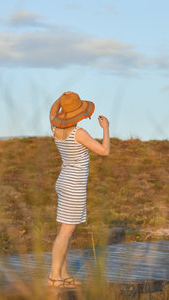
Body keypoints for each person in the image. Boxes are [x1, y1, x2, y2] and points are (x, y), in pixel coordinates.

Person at [47, 91, 110, 288]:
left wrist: (61, 98)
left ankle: (63, 273)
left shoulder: (55, 128)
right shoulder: (79, 133)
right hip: (74, 185)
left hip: (65, 181)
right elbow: (104, 151)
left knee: (69, 230)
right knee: (66, 232)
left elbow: (52, 112)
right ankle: (53, 277)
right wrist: (106, 129)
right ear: (78, 112)